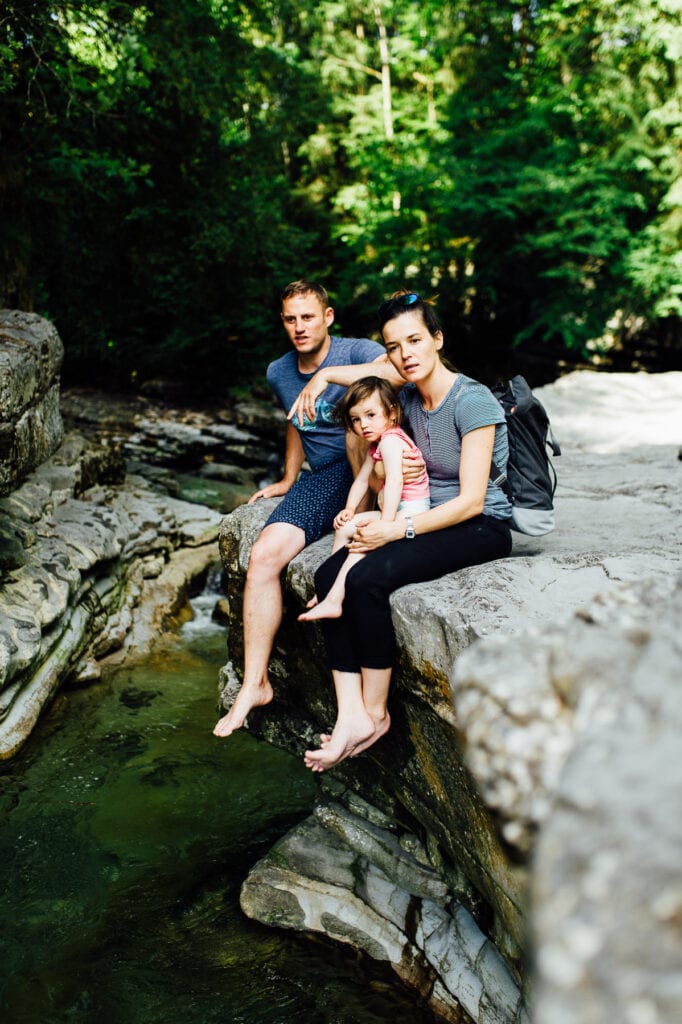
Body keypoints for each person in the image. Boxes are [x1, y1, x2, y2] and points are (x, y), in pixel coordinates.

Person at [300, 290, 513, 772]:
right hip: (424, 517)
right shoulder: (407, 398)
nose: (405, 354)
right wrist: (326, 375)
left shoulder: (472, 400)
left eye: (415, 340)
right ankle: (349, 714)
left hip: (480, 525)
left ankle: (375, 714)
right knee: (329, 574)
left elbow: (472, 501)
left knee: (365, 579)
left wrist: (395, 529)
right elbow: (370, 404)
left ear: (438, 339)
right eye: (393, 346)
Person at [212, 280, 385, 738]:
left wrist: (327, 377)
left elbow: (399, 372)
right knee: (264, 554)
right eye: (290, 319)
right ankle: (256, 684)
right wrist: (289, 477)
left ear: (328, 317)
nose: (299, 327)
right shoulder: (279, 371)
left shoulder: (356, 352)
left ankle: (366, 518)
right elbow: (296, 419)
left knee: (353, 425)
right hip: (325, 477)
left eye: (308, 317)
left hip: (375, 467)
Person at [299, 376, 430, 623]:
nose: (363, 425)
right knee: (345, 527)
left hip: (410, 512)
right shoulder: (377, 443)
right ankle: (328, 587)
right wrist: (349, 509)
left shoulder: (391, 441)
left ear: (392, 413)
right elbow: (361, 480)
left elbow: (395, 481)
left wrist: (386, 524)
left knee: (363, 539)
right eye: (356, 419)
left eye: (370, 415)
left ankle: (335, 599)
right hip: (394, 510)